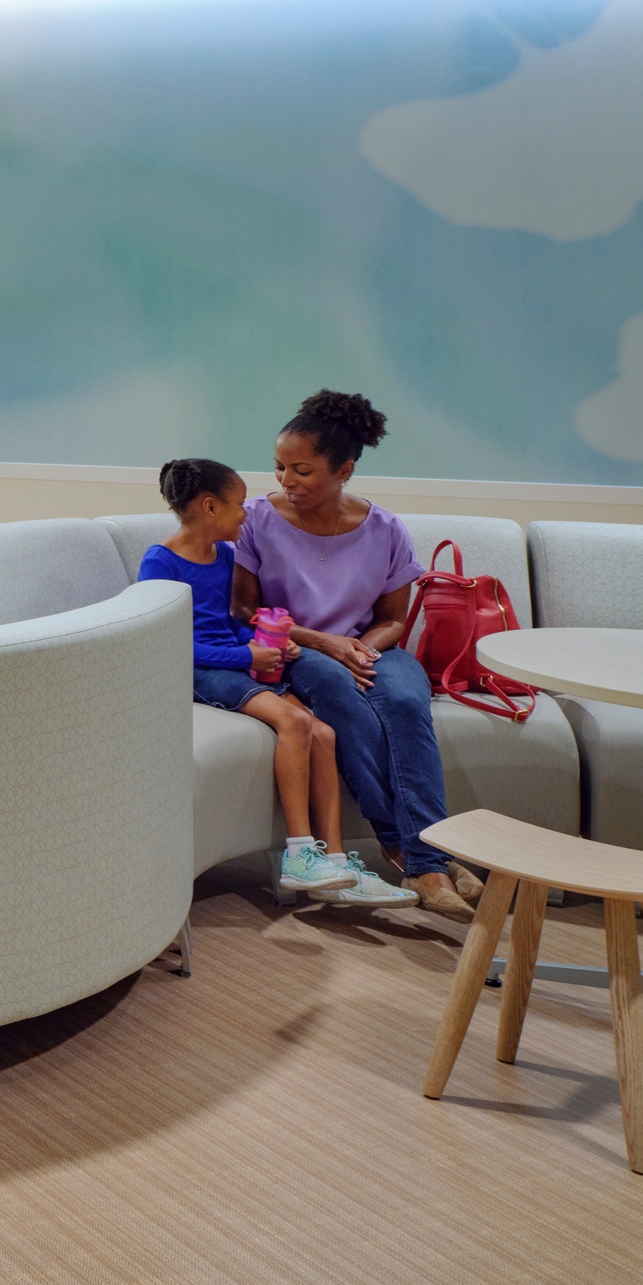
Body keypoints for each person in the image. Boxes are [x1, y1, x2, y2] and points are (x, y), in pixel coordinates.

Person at [230, 390, 478, 920]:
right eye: (279, 468)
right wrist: (326, 644)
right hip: (297, 647)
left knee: (409, 705)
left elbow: (394, 619)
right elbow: (243, 609)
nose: (286, 481)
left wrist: (361, 650)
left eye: (302, 470)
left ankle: (421, 858)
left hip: (370, 648)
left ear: (343, 469)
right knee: (341, 693)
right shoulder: (255, 520)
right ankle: (423, 859)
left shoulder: (385, 528)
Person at [141, 458, 389, 904]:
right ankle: (298, 855)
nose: (247, 513)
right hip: (198, 672)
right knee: (294, 724)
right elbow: (171, 642)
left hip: (233, 664)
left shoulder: (224, 556)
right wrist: (244, 654)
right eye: (239, 505)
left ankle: (334, 864)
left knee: (324, 733)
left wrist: (267, 642)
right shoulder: (160, 561)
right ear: (210, 507)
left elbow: (224, 622)